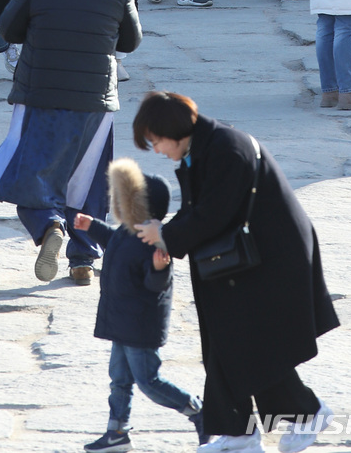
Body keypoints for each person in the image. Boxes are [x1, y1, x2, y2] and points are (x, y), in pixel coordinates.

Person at [133, 91, 338, 453]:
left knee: (251, 344)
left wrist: (166, 235)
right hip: (246, 256)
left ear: (174, 131)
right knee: (228, 343)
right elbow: (201, 208)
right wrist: (165, 235)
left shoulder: (227, 148)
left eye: (157, 142)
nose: (158, 151)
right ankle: (238, 434)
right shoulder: (206, 146)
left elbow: (214, 213)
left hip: (272, 258)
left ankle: (308, 413)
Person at [0, 0, 142, 286]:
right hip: (95, 100)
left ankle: (48, 224)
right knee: (88, 178)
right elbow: (130, 42)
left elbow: (8, 28)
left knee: (29, 171)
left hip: (40, 94)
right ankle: (83, 258)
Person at [76, 158, 207, 453]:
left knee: (149, 382)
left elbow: (156, 287)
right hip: (121, 322)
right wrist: (92, 227)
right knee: (119, 379)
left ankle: (198, 411)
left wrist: (159, 269)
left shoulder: (153, 242)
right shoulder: (126, 230)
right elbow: (114, 240)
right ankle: (117, 432)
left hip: (139, 326)